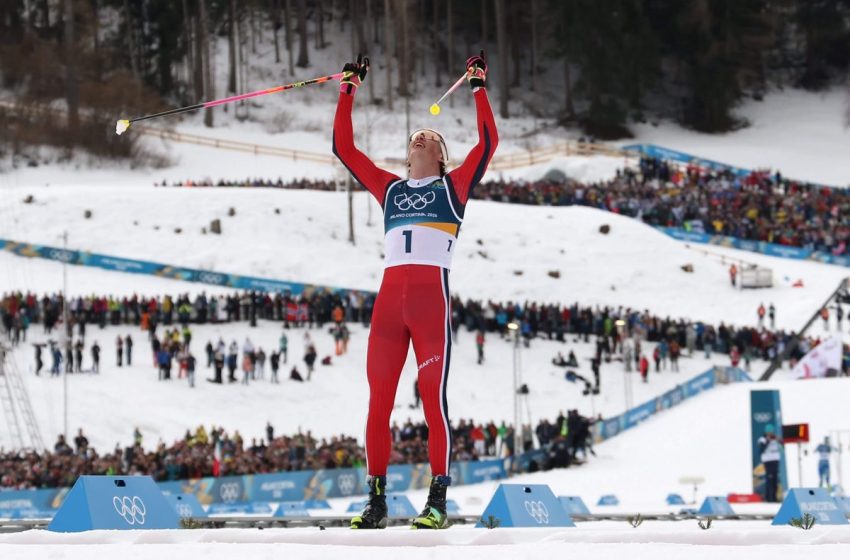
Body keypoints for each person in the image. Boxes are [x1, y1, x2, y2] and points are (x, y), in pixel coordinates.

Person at [335, 51, 497, 530]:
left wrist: (478, 86)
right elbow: (344, 148)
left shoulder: (454, 188)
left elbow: (488, 141)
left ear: (443, 157)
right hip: (388, 309)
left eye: (432, 137)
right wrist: (348, 88)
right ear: (408, 156)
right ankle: (376, 502)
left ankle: (437, 502)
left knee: (432, 403)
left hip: (429, 308)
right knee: (378, 404)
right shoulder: (390, 190)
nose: (422, 136)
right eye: (415, 137)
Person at [758, 428, 782, 502]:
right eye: (769, 432)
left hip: (775, 461)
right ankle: (769, 498)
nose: (770, 434)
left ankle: (774, 497)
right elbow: (761, 450)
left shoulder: (775, 439)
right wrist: (768, 441)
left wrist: (780, 441)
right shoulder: (762, 439)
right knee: (769, 479)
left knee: (775, 479)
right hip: (767, 461)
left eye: (771, 432)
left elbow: (782, 447)